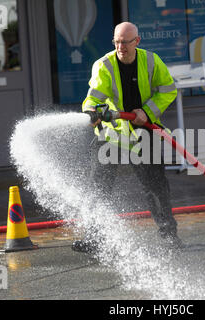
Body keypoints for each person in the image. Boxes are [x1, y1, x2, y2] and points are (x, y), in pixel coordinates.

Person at [72, 22, 181, 253]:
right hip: (112, 134)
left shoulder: (151, 61)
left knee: (156, 186)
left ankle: (169, 236)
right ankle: (94, 238)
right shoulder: (104, 65)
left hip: (143, 132)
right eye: (117, 42)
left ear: (137, 42)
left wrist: (147, 112)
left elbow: (168, 89)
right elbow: (93, 97)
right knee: (99, 186)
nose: (121, 46)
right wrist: (91, 111)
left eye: (126, 42)